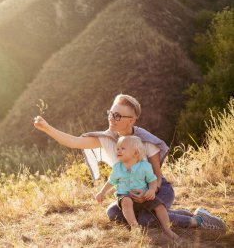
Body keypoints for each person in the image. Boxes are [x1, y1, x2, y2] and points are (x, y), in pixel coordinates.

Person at [33, 93, 225, 230]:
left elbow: (157, 177)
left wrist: (148, 192)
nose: (112, 119)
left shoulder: (146, 141)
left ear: (131, 120)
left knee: (143, 220)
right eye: (110, 113)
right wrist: (47, 128)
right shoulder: (106, 139)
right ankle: (185, 213)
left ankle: (198, 221)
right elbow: (74, 142)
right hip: (129, 193)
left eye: (117, 116)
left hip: (157, 189)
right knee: (113, 214)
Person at [95, 135, 179, 240]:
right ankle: (135, 228)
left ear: (135, 153)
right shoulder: (117, 167)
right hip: (125, 195)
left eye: (123, 148)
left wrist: (152, 190)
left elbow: (152, 180)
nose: (119, 151)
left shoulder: (145, 166)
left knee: (160, 206)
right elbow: (111, 181)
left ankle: (168, 229)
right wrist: (102, 192)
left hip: (143, 194)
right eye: (118, 149)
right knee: (126, 201)